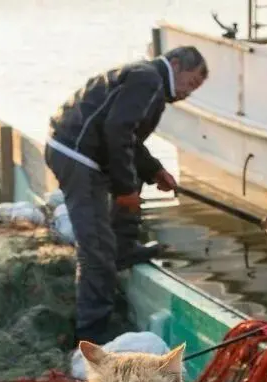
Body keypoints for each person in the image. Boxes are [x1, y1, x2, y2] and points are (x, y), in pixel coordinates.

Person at [45, 46, 208, 344]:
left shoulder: (147, 77)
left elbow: (129, 139)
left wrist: (155, 170)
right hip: (78, 157)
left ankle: (124, 247)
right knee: (96, 249)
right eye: (191, 82)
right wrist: (124, 191)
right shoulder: (148, 81)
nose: (188, 92)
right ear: (174, 64)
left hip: (80, 151)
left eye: (195, 88)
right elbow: (117, 132)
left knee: (130, 179)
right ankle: (91, 335)